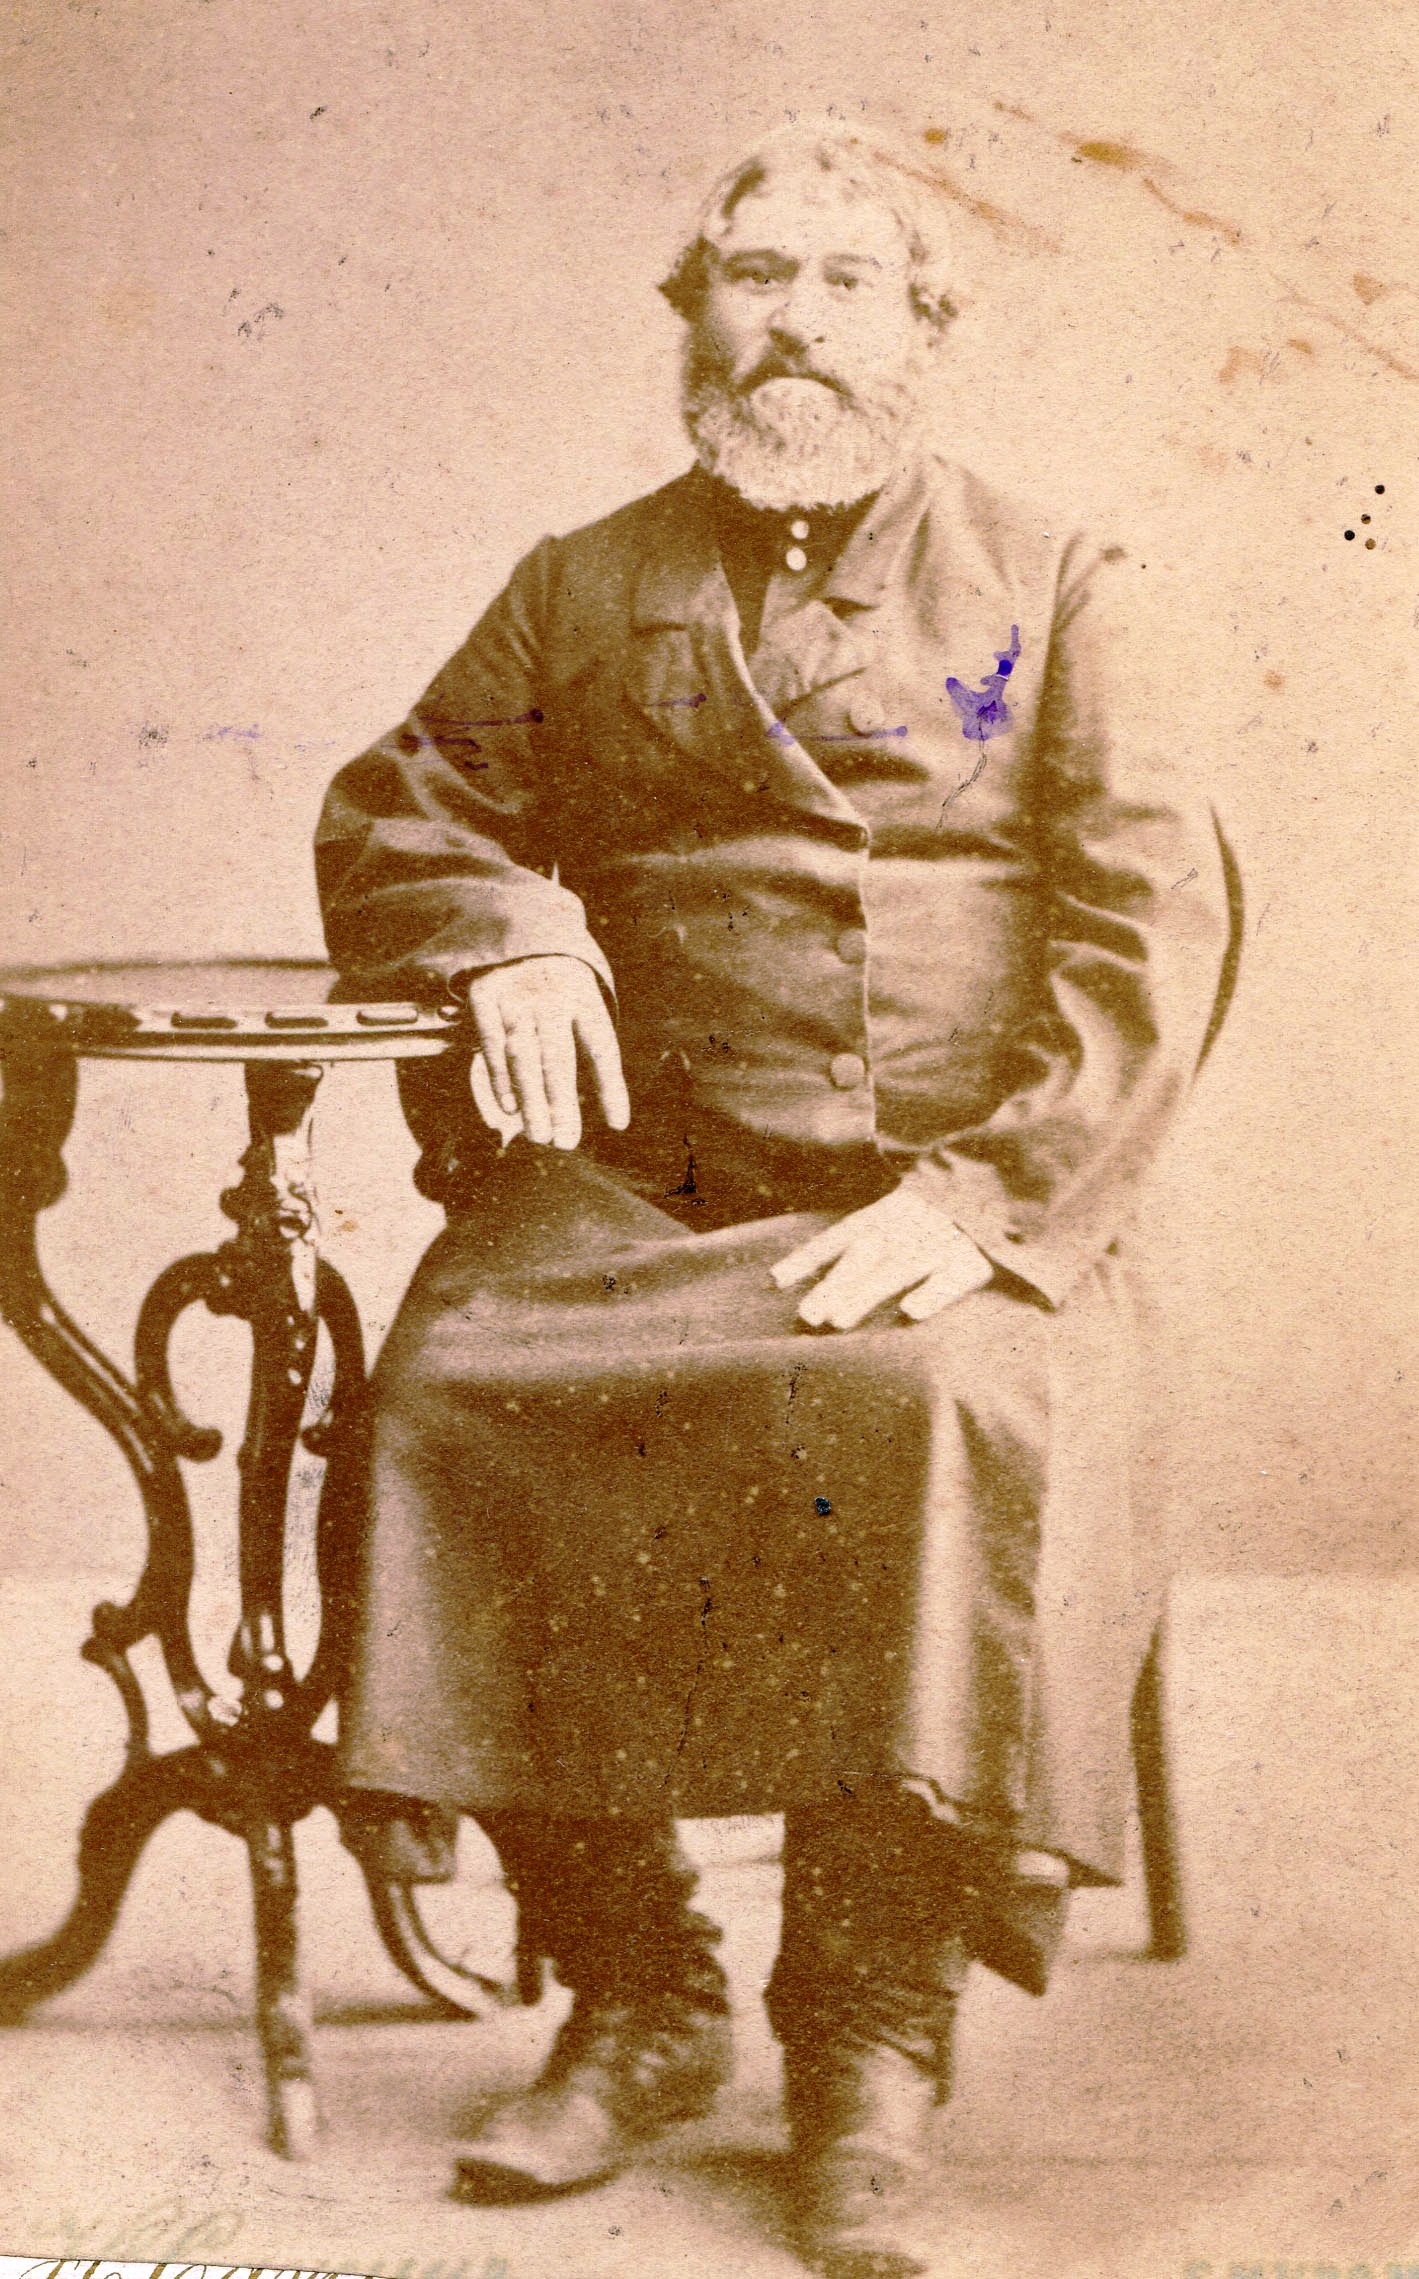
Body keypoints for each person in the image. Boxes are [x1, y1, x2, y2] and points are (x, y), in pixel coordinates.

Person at [314, 123, 1232, 2279]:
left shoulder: (1055, 576)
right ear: (691, 318)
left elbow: (1151, 927)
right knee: (450, 1385)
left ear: (923, 325)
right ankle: (635, 1993)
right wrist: (508, 932)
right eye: (751, 277)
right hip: (644, 1190)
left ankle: (864, 2037)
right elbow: (399, 808)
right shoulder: (580, 580)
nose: (790, 325)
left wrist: (993, 1200)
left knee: (930, 1408)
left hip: (944, 1191)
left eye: (841, 281)